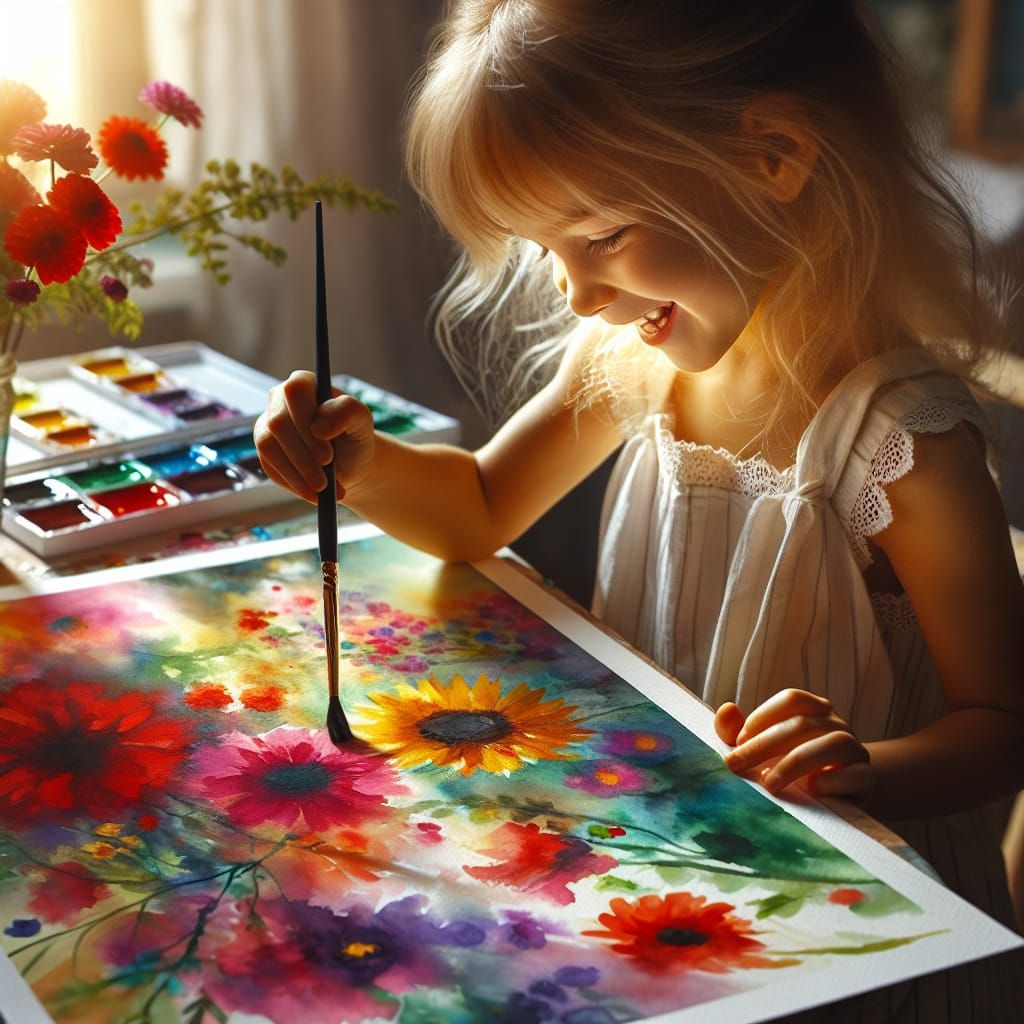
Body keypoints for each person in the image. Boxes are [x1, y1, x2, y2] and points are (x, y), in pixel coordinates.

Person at [256, 0, 1024, 1016]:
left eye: (602, 235)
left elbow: (1002, 723)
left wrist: (863, 768)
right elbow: (480, 505)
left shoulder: (900, 444)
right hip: (681, 877)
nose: (575, 294)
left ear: (776, 156)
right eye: (546, 251)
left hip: (861, 925)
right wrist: (358, 461)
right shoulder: (629, 359)